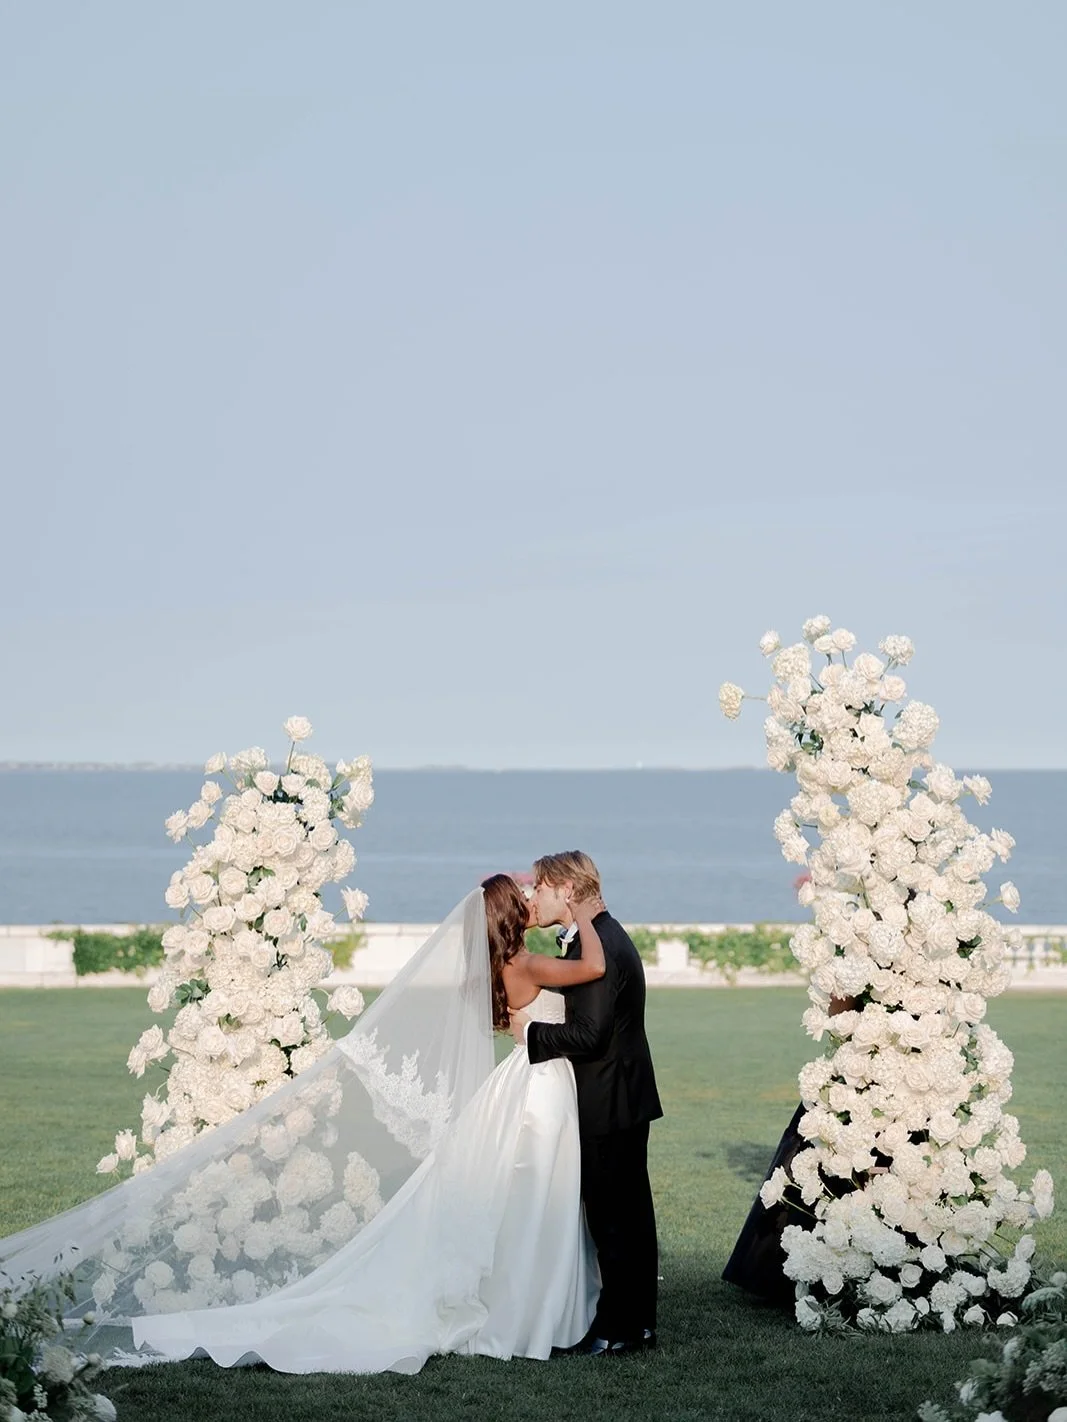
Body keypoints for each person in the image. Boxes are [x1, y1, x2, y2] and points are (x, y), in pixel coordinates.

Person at [0, 878, 612, 1374]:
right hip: (538, 1085)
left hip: (525, 1079)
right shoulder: (529, 963)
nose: (531, 896)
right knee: (534, 1195)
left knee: (522, 1197)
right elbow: (593, 967)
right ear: (511, 916)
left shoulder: (501, 966)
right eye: (523, 895)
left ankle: (530, 1304)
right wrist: (583, 912)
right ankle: (533, 1311)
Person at [510, 851, 662, 1355]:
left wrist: (531, 1034)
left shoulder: (600, 945)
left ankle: (615, 1330)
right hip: (623, 1092)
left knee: (611, 1217)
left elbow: (590, 1034)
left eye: (540, 886)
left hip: (608, 1096)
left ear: (566, 890)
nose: (533, 895)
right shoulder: (602, 935)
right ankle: (637, 1324)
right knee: (630, 1214)